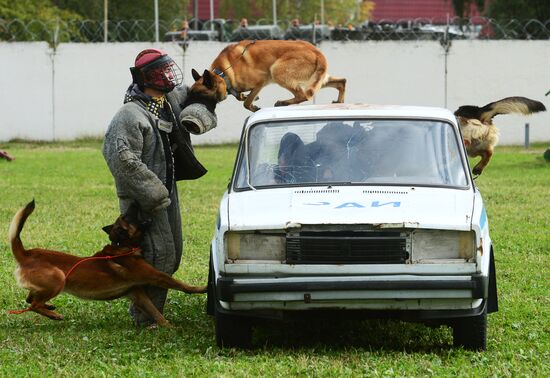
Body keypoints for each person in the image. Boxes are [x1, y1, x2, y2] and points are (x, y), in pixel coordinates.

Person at [102, 48, 217, 327]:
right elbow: (122, 159)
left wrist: (203, 109)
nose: (169, 75)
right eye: (161, 72)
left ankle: (151, 311)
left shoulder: (168, 100)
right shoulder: (129, 114)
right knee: (155, 256)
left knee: (172, 252)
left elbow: (198, 98)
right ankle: (145, 318)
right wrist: (154, 194)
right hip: (144, 202)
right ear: (146, 78)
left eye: (168, 70)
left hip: (166, 194)